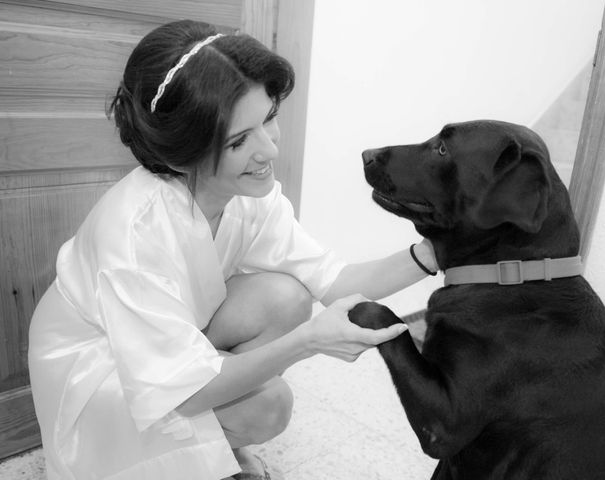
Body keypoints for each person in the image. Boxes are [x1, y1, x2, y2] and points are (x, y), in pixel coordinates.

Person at [28, 19, 439, 480]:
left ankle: (215, 451)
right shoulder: (135, 229)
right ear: (182, 155)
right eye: (240, 141)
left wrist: (433, 253)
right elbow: (181, 393)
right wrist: (307, 341)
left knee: (288, 295)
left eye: (268, 118)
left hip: (163, 340)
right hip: (96, 362)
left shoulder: (249, 197)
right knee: (269, 407)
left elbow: (336, 280)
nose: (269, 149)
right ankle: (199, 455)